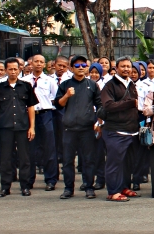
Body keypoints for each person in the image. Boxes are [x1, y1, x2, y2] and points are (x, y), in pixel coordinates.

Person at [0, 58, 37, 198]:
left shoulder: (26, 86)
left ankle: (25, 186)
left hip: (23, 127)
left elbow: (31, 108)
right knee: (5, 159)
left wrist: (32, 127)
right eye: (10, 69)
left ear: (19, 69)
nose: (13, 71)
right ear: (5, 70)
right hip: (5, 127)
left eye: (16, 69)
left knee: (24, 158)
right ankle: (5, 187)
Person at [54, 55, 101, 199]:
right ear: (71, 68)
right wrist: (67, 95)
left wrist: (98, 123)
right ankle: (69, 188)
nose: (81, 68)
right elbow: (58, 104)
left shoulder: (92, 85)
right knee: (68, 160)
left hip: (87, 127)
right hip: (69, 128)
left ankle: (89, 187)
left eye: (83, 66)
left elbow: (99, 105)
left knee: (88, 159)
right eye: (77, 66)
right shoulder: (65, 84)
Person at [100, 57, 141, 202]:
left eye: (128, 67)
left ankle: (124, 187)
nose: (126, 69)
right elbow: (108, 105)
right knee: (114, 163)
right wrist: (131, 103)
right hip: (115, 131)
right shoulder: (109, 85)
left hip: (132, 130)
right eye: (123, 66)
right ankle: (113, 191)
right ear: (116, 68)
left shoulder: (131, 84)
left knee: (127, 163)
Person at [21, 54, 59, 191]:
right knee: (29, 149)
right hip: (28, 116)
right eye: (36, 61)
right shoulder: (24, 81)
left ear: (44, 65)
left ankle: (51, 179)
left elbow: (55, 99)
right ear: (31, 63)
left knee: (49, 148)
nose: (38, 64)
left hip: (46, 114)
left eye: (41, 62)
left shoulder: (49, 81)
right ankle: (28, 180)